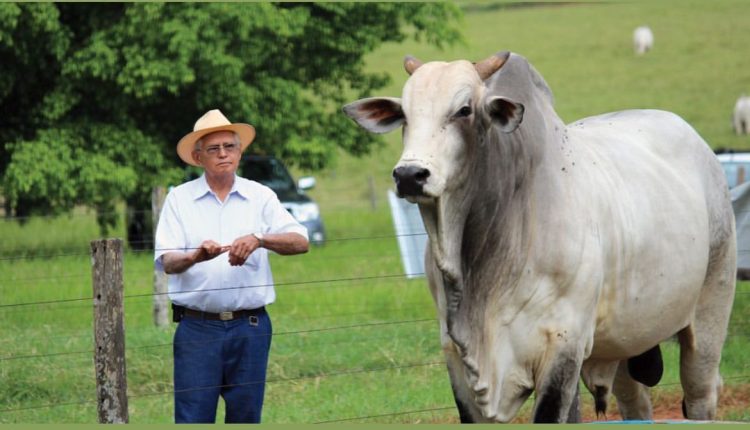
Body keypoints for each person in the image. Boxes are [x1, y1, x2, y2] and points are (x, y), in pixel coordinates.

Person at [154, 109, 309, 423]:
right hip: (197, 328)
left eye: (230, 146)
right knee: (193, 417)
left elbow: (300, 241)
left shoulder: (260, 196)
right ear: (198, 157)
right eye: (213, 149)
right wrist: (196, 256)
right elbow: (168, 261)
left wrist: (260, 239)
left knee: (246, 416)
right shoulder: (179, 200)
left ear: (240, 152)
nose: (223, 154)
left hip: (249, 326)